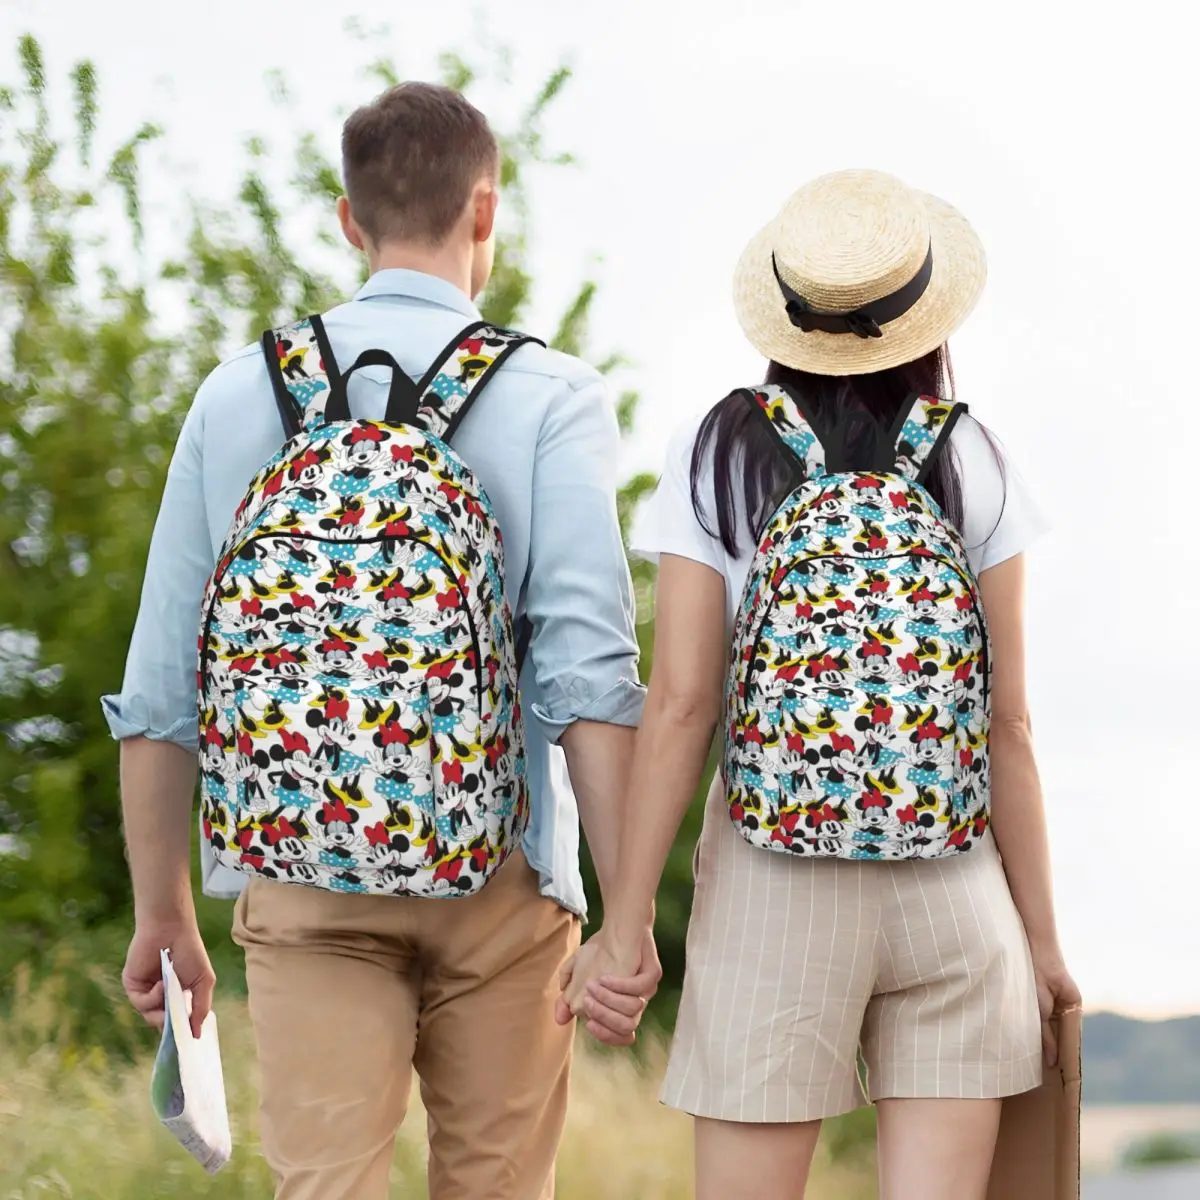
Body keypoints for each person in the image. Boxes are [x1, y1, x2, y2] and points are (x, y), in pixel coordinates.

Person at [105, 81, 661, 1200]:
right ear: (486, 213)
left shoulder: (236, 396)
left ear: (349, 219)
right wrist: (628, 915)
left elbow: (164, 684)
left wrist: (163, 911)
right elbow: (589, 678)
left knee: (325, 1187)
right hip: (502, 877)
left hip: (301, 877)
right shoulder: (551, 394)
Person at [559, 169, 1081, 1200]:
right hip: (955, 888)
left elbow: (681, 706)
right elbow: (1009, 723)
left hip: (773, 886)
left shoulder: (720, 450)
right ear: (925, 315)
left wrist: (624, 928)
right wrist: (1043, 944)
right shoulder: (973, 454)